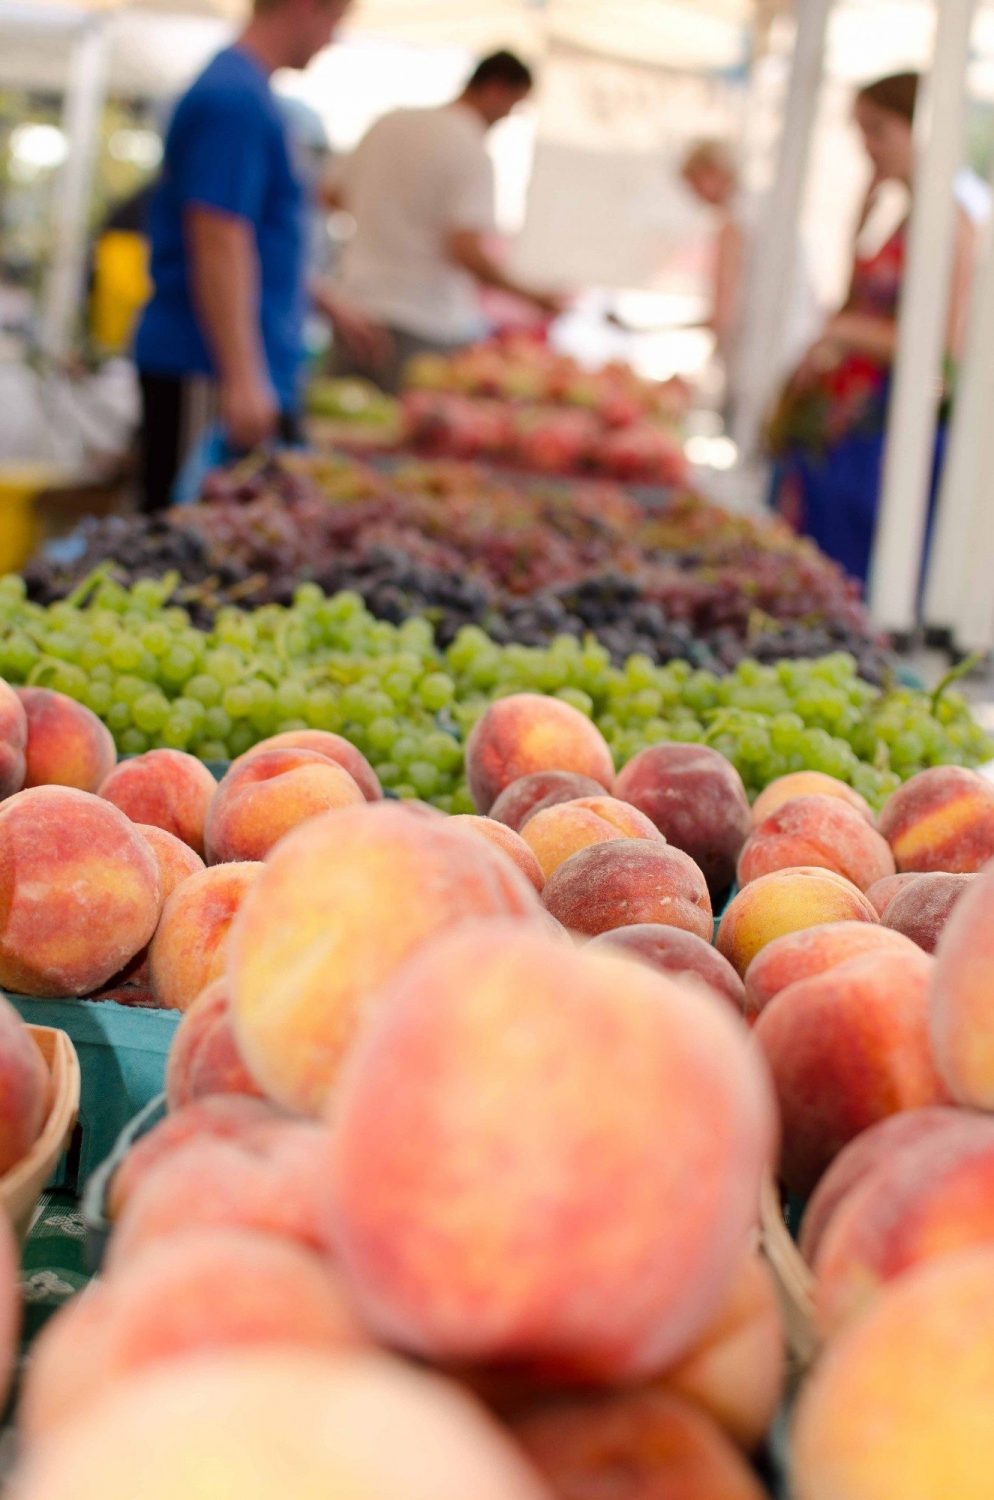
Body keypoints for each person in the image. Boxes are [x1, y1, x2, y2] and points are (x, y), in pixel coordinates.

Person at [134, 0, 381, 511]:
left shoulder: (246, 92)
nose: (332, 39)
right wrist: (244, 379)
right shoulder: (233, 99)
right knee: (183, 541)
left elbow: (249, 233)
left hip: (224, 361)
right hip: (203, 363)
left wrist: (324, 300)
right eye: (332, 20)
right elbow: (217, 237)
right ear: (299, 8)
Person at [767, 73, 976, 588]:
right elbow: (858, 300)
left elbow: (943, 348)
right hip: (847, 424)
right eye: (860, 131)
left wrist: (845, 334)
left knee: (853, 575)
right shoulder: (901, 216)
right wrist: (856, 226)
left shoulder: (952, 224)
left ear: (919, 129)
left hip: (883, 435)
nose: (867, 147)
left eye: (878, 130)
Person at [329, 51, 563, 392]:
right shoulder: (470, 147)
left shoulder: (390, 122)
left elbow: (334, 196)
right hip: (423, 324)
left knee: (336, 432)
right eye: (513, 106)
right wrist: (531, 296)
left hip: (355, 308)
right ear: (496, 88)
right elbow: (464, 248)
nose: (507, 117)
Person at [679, 139, 819, 426]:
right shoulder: (771, 209)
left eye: (693, 184)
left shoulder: (735, 223)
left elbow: (723, 315)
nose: (694, 197)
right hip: (798, 351)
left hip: (759, 365)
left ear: (711, 174)